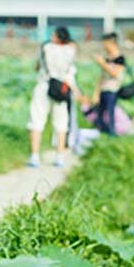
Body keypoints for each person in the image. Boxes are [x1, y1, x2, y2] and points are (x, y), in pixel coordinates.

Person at [28, 26, 79, 168]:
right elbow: (70, 72)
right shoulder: (70, 50)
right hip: (62, 88)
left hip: (44, 85)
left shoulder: (46, 47)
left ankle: (34, 156)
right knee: (61, 123)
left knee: (36, 120)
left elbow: (37, 66)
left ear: (57, 36)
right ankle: (60, 157)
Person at [92, 32, 128, 135]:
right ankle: (102, 135)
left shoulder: (120, 58)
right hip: (103, 89)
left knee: (110, 115)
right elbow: (102, 77)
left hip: (112, 90)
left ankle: (112, 135)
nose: (103, 45)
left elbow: (114, 73)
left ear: (111, 43)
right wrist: (96, 93)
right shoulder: (107, 57)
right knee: (99, 116)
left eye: (105, 43)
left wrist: (102, 63)